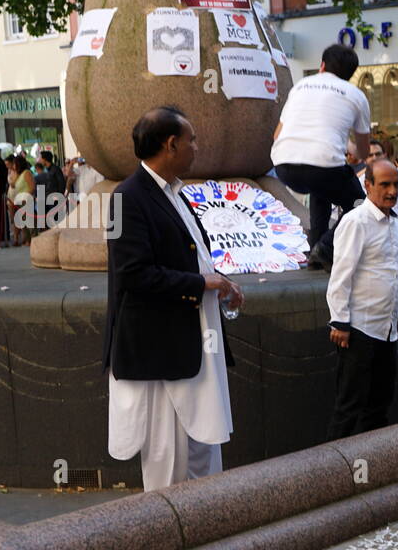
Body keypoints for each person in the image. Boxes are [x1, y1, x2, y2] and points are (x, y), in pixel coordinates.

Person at [105, 105, 243, 491]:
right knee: (168, 460)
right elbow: (133, 275)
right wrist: (203, 285)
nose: (196, 147)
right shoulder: (125, 198)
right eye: (191, 140)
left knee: (202, 452)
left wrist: (221, 283)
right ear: (170, 145)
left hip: (194, 344)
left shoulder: (177, 195)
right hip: (159, 352)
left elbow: (194, 258)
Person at [326, 158, 398, 438]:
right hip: (358, 329)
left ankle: (371, 472)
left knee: (379, 406)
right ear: (368, 185)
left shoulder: (395, 224)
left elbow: (392, 274)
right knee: (348, 408)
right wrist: (339, 322)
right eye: (384, 184)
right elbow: (341, 275)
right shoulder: (355, 222)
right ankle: (333, 475)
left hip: (386, 331)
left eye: (396, 184)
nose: (392, 191)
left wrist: (395, 317)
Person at [271, 44, 371, 269]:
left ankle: (316, 250)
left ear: (322, 65)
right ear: (350, 73)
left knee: (321, 191)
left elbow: (277, 134)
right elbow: (364, 153)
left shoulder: (300, 87)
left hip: (283, 164)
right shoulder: (356, 95)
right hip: (324, 167)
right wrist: (350, 148)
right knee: (361, 204)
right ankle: (326, 246)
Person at [7, 154, 35, 246]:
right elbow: (13, 184)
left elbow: (32, 187)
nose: (13, 166)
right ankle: (28, 240)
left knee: (29, 221)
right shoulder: (19, 174)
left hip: (26, 200)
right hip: (18, 201)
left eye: (14, 164)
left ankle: (33, 240)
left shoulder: (27, 173)